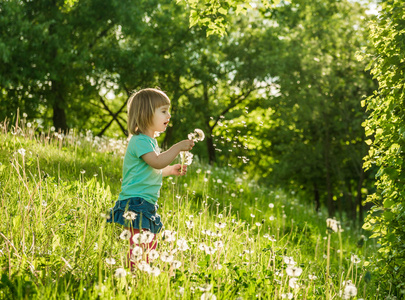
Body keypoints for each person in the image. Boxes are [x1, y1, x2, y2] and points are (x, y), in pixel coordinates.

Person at [107, 88, 194, 268]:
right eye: (163, 111)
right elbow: (156, 162)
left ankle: (140, 275)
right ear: (146, 114)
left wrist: (170, 170)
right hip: (135, 202)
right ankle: (133, 276)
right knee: (138, 245)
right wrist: (177, 148)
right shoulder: (139, 141)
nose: (168, 115)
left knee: (148, 245)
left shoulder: (149, 142)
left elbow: (150, 170)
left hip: (145, 203)